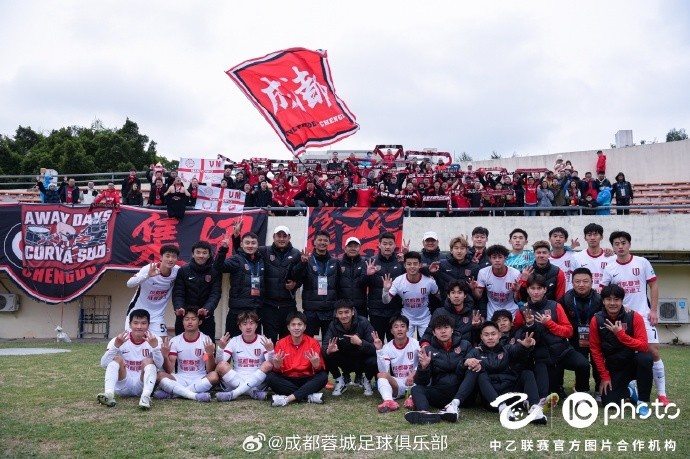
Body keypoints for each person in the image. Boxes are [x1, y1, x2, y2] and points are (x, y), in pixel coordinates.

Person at [600, 231, 670, 406]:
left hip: (643, 315)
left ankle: (662, 394)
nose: (620, 246)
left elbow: (653, 284)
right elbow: (602, 291)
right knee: (625, 352)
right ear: (613, 246)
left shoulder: (642, 262)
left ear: (629, 244)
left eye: (623, 243)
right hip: (621, 317)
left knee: (652, 351)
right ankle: (630, 386)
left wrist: (653, 310)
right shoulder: (609, 267)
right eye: (616, 244)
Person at [513, 275, 590, 399]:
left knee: (583, 364)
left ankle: (582, 394)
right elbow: (516, 332)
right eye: (532, 288)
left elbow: (569, 331)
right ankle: (556, 387)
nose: (536, 292)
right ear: (527, 290)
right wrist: (529, 325)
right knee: (551, 392)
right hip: (542, 358)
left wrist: (550, 324)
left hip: (563, 351)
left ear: (545, 290)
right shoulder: (523, 311)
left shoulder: (555, 306)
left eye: (539, 288)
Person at [459, 321, 546, 424]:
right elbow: (461, 365)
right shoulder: (476, 352)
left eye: (493, 334)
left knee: (527, 373)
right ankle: (502, 408)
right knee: (479, 374)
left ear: (499, 335)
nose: (490, 337)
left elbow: (518, 351)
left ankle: (535, 408)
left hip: (511, 393)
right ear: (481, 337)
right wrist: (466, 362)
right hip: (492, 399)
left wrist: (524, 347)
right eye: (486, 335)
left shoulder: (507, 349)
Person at [590, 284, 653, 414]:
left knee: (645, 358)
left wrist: (620, 335)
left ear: (622, 301)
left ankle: (642, 402)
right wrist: (605, 376)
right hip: (614, 366)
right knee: (610, 403)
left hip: (632, 364)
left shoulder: (634, 317)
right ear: (603, 301)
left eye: (616, 299)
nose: (613, 303)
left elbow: (643, 346)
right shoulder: (596, 320)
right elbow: (595, 350)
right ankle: (630, 391)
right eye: (609, 299)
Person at [404, 314, 472, 424]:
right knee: (416, 389)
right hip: (441, 392)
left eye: (446, 327)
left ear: (452, 330)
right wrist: (424, 367)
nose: (443, 331)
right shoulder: (429, 350)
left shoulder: (465, 345)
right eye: (439, 328)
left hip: (463, 394)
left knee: (474, 368)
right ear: (434, 333)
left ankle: (454, 405)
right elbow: (422, 382)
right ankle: (424, 413)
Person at [97, 309, 163, 410]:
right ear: (130, 324)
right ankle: (109, 394)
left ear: (148, 325)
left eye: (143, 323)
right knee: (117, 359)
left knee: (148, 361)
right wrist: (115, 346)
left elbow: (159, 365)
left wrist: (155, 348)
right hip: (123, 385)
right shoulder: (118, 339)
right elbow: (104, 364)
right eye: (135, 323)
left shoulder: (155, 339)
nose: (139, 327)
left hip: (142, 385)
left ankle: (145, 397)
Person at [266, 312, 328, 407]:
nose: (296, 328)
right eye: (293, 324)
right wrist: (277, 365)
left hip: (306, 378)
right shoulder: (281, 343)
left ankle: (288, 398)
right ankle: (307, 396)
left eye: (299, 324)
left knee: (323, 377)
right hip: (288, 379)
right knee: (270, 377)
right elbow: (277, 371)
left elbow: (318, 370)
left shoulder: (313, 343)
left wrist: (316, 365)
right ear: (288, 327)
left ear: (305, 327)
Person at [154, 308, 216, 402]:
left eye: (193, 319)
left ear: (200, 322)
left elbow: (209, 370)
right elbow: (169, 370)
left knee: (214, 376)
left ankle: (175, 394)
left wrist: (210, 354)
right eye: (186, 319)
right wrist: (165, 356)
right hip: (180, 378)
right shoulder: (175, 341)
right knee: (159, 375)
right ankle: (194, 395)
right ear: (183, 322)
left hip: (199, 378)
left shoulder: (205, 340)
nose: (189, 322)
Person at [559, 267, 603, 398]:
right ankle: (582, 390)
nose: (581, 285)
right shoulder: (565, 299)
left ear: (592, 282)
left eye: (585, 281)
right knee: (581, 363)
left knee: (598, 362)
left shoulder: (600, 299)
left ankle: (599, 389)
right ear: (572, 283)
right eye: (577, 281)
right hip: (575, 338)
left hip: (596, 338)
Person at [288, 230, 338, 338]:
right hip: (311, 311)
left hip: (329, 310)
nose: (322, 242)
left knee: (329, 342)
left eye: (325, 240)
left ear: (329, 243)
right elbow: (295, 277)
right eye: (320, 240)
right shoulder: (307, 260)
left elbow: (338, 285)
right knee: (308, 342)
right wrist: (302, 263)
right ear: (314, 242)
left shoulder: (334, 262)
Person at [214, 231, 265, 337]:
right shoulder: (236, 259)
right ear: (242, 244)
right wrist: (223, 249)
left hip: (255, 309)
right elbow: (218, 267)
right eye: (247, 243)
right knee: (231, 341)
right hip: (237, 310)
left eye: (253, 243)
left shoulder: (261, 260)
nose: (250, 245)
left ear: (257, 245)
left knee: (254, 342)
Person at [215, 311, 274, 401]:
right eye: (244, 324)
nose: (248, 327)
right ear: (240, 326)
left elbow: (271, 364)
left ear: (256, 325)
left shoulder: (263, 340)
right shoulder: (234, 340)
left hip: (256, 380)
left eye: (251, 323)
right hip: (235, 379)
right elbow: (219, 363)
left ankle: (234, 393)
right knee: (221, 366)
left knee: (268, 364)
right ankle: (252, 392)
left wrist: (270, 351)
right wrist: (220, 348)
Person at [323, 300, 377, 397]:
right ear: (336, 314)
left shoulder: (364, 323)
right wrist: (328, 350)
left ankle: (366, 380)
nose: (343, 316)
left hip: (361, 359)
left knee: (375, 358)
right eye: (340, 313)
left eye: (346, 312)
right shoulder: (333, 325)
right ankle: (339, 381)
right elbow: (325, 346)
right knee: (326, 354)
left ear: (353, 312)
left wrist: (360, 343)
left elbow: (375, 348)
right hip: (344, 359)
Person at [125, 245, 180, 338]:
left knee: (162, 342)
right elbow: (129, 284)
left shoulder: (177, 271)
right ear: (161, 257)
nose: (170, 259)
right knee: (132, 340)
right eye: (167, 256)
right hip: (138, 311)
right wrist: (148, 275)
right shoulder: (149, 268)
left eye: (174, 257)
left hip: (157, 315)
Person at [382, 251, 440, 339]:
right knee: (405, 343)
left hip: (425, 318)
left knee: (427, 343)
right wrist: (385, 290)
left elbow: (439, 296)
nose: (412, 266)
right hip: (406, 318)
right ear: (404, 265)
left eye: (415, 264)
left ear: (420, 265)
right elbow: (386, 301)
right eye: (409, 264)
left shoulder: (429, 281)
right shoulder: (398, 281)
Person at [172, 241, 221, 337]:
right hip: (185, 315)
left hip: (205, 316)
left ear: (209, 255)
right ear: (193, 254)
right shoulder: (183, 270)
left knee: (208, 344)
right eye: (198, 252)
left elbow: (215, 294)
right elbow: (178, 293)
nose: (201, 256)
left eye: (204, 253)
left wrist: (207, 309)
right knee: (181, 344)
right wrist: (179, 307)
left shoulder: (214, 271)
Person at [373, 315, 418, 413]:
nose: (399, 329)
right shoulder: (387, 347)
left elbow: (422, 363)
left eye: (402, 326)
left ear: (407, 329)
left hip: (415, 382)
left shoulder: (415, 344)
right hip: (398, 383)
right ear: (391, 331)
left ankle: (413, 398)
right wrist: (379, 350)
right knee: (381, 375)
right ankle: (389, 401)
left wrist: (413, 374)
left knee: (426, 376)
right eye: (396, 326)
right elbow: (383, 371)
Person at [365, 232, 404, 341]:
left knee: (395, 344)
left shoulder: (400, 262)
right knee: (377, 343)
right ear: (379, 245)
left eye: (390, 244)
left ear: (395, 246)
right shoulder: (371, 262)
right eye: (385, 243)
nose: (387, 246)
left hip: (395, 311)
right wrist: (367, 275)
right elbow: (362, 283)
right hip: (376, 312)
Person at [420, 280, 481, 345]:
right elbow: (429, 333)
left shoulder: (473, 314)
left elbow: (480, 338)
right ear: (448, 295)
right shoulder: (439, 312)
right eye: (453, 293)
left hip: (466, 350)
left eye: (459, 292)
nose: (456, 296)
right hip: (442, 349)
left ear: (465, 295)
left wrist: (477, 327)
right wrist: (424, 345)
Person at [426, 236, 480, 306]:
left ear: (466, 250)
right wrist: (428, 270)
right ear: (451, 250)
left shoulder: (474, 267)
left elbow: (478, 295)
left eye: (462, 248)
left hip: (467, 307)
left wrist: (473, 289)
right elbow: (418, 271)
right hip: (446, 307)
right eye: (456, 248)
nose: (459, 251)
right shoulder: (441, 264)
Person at [471, 244, 521, 319]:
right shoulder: (483, 272)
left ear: (505, 258)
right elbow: (478, 296)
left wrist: (517, 291)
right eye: (494, 257)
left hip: (511, 310)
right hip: (492, 311)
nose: (497, 260)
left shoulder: (515, 273)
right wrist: (473, 289)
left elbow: (517, 299)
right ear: (490, 259)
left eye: (500, 257)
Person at [337, 237, 368, 319]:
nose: (353, 248)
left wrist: (368, 275)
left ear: (360, 248)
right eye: (350, 246)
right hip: (343, 307)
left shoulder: (365, 262)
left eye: (355, 246)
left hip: (360, 307)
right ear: (345, 248)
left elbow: (366, 282)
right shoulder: (338, 263)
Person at [548, 227, 580, 291]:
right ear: (549, 239)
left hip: (570, 294)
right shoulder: (545, 259)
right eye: (555, 236)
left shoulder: (574, 256)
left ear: (566, 240)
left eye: (561, 237)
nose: (558, 239)